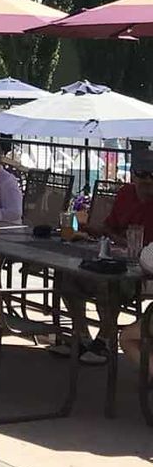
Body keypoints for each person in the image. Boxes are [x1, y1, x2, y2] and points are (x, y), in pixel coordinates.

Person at [60, 151, 153, 368]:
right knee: (67, 277)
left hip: (144, 272)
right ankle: (82, 336)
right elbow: (108, 227)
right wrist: (95, 231)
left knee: (106, 284)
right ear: (133, 175)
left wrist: (114, 237)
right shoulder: (126, 193)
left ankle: (105, 339)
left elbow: (146, 251)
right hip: (115, 258)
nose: (148, 179)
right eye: (142, 173)